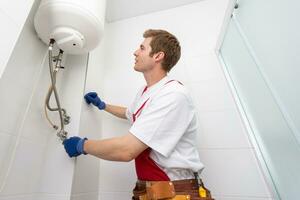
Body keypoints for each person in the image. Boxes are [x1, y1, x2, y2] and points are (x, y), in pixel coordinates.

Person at [63, 29, 213, 200]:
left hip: (176, 191)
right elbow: (130, 113)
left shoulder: (173, 94)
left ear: (158, 56)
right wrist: (102, 105)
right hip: (148, 190)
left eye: (142, 48)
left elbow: (127, 150)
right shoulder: (146, 91)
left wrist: (82, 145)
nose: (135, 52)